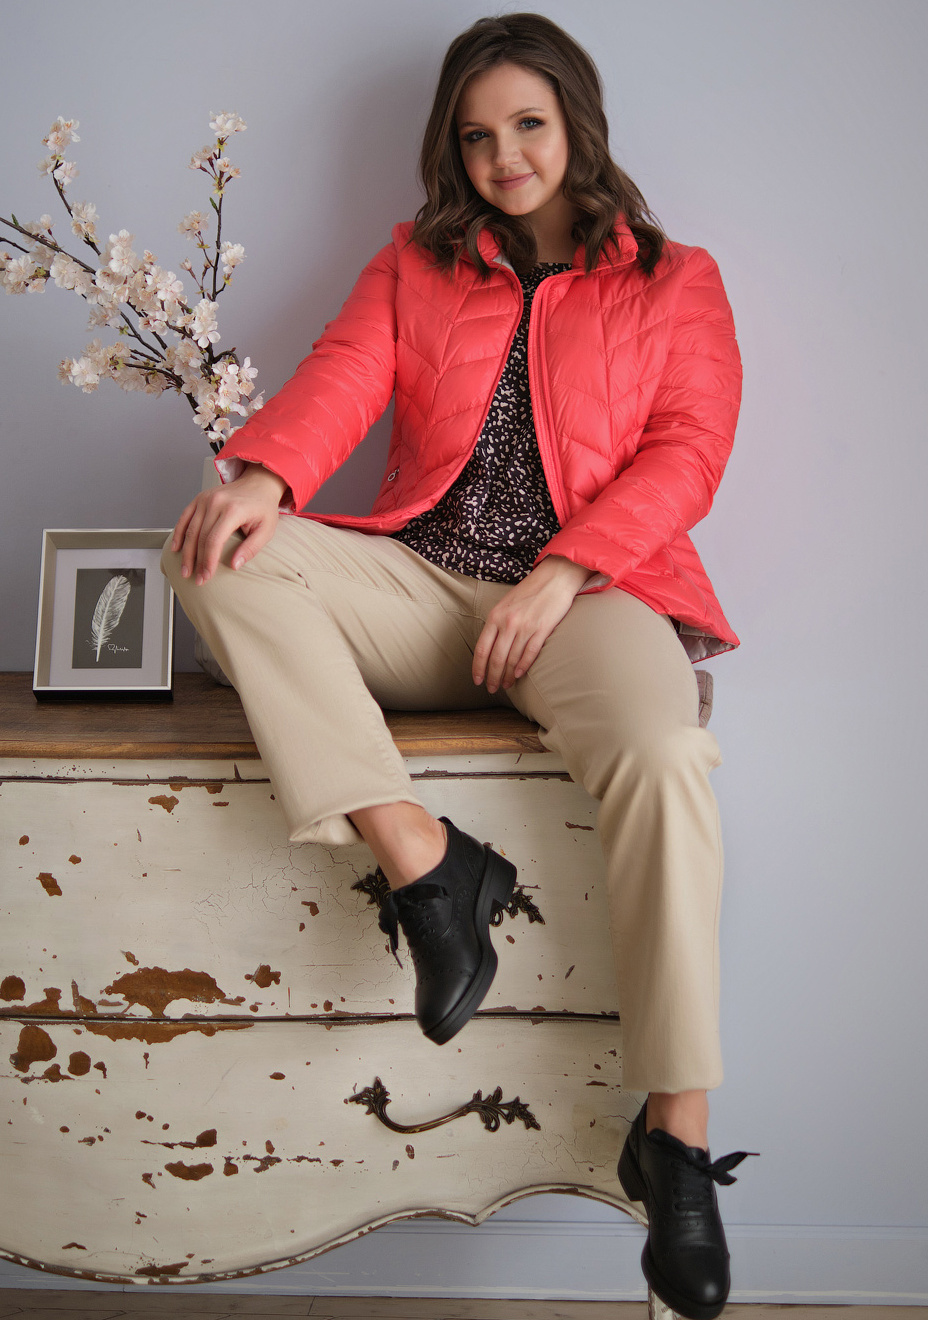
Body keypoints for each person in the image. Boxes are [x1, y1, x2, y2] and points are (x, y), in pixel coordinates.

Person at [161, 13, 755, 1318]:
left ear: (577, 124)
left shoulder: (676, 279)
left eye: (528, 125)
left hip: (589, 594)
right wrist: (264, 477)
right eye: (477, 136)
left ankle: (677, 1137)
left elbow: (687, 451)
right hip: (424, 585)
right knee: (213, 551)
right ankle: (428, 862)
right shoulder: (416, 262)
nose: (505, 157)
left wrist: (563, 572)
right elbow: (342, 376)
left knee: (667, 754)